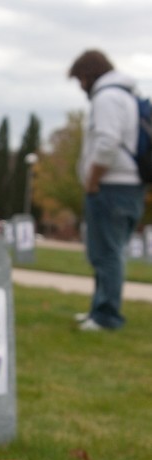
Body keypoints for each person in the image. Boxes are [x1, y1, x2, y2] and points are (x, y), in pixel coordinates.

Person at [68, 49, 146, 330]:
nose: (81, 87)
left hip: (111, 187)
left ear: (89, 74)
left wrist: (92, 179)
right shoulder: (126, 96)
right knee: (109, 252)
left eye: (80, 80)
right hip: (128, 187)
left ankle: (106, 316)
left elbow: (107, 142)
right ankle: (98, 308)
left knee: (107, 254)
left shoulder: (107, 97)